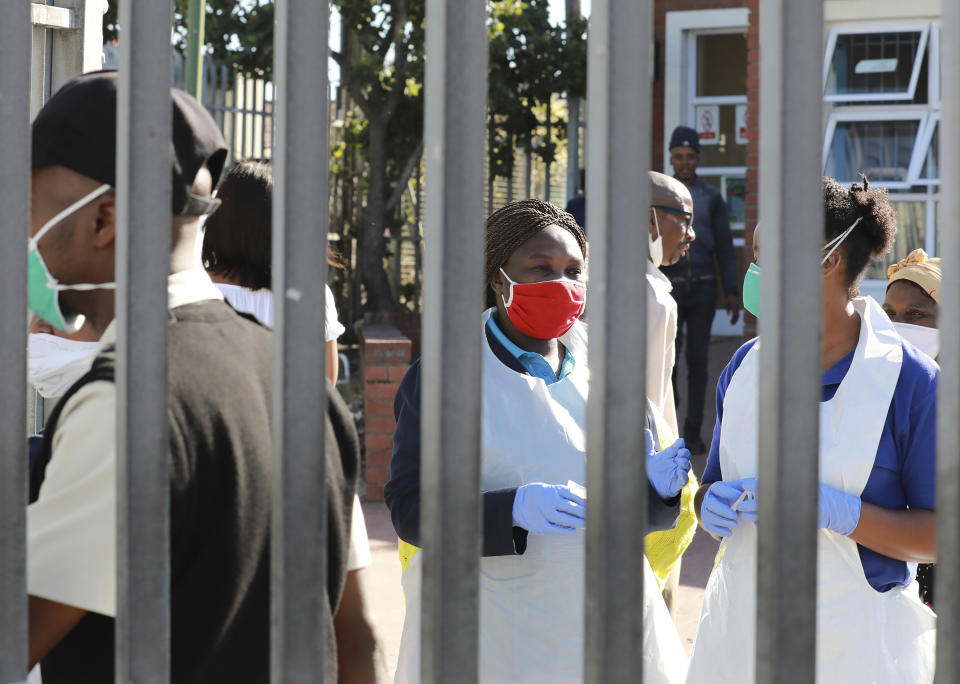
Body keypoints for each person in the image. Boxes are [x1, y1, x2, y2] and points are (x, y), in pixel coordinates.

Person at [26, 71, 358, 682]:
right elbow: (358, 639)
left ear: (103, 221)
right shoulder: (302, 387)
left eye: (26, 207)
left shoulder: (124, 404)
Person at [386, 198, 691, 683]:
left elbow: (639, 520)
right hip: (491, 629)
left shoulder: (609, 370)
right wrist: (510, 509)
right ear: (498, 278)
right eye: (540, 268)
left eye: (574, 270)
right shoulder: (447, 376)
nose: (562, 284)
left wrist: (656, 492)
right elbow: (409, 508)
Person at [687, 177, 937, 683]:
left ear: (829, 260)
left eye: (767, 255)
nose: (754, 272)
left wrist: (838, 512)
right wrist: (705, 504)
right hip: (740, 637)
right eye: (753, 255)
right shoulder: (744, 366)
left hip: (859, 648)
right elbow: (713, 482)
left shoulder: (910, 381)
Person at [201, 159, 388, 682]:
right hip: (306, 469)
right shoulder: (310, 295)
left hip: (224, 469)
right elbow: (324, 389)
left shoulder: (195, 289)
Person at [661, 125, 740, 455]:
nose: (685, 162)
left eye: (690, 156)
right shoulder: (661, 197)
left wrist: (732, 290)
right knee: (670, 362)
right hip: (670, 287)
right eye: (678, 157)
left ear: (698, 159)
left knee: (698, 360)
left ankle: (692, 433)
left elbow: (724, 246)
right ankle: (671, 431)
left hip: (705, 288)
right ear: (671, 159)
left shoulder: (711, 198)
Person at [643, 172, 699, 618]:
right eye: (684, 219)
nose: (691, 234)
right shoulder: (647, 297)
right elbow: (647, 398)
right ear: (649, 220)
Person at [883, 248, 941, 607]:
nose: (899, 324)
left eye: (917, 314)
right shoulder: (881, 384)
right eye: (889, 315)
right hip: (897, 557)